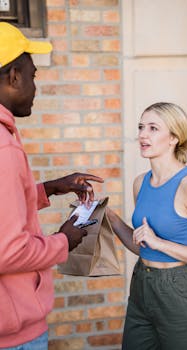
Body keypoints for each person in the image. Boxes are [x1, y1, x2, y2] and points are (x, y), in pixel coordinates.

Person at [0, 22, 103, 349]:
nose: (35, 86)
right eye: (33, 76)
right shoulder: (4, 148)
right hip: (13, 335)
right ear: (14, 76)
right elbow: (8, 250)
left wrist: (48, 189)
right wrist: (64, 240)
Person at [106, 102, 187, 350]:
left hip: (177, 289)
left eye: (153, 128)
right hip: (142, 285)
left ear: (173, 138)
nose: (142, 134)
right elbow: (143, 247)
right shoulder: (141, 183)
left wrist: (160, 242)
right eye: (141, 127)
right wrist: (106, 214)